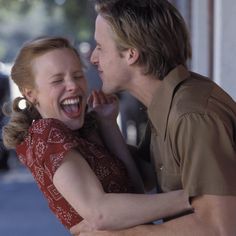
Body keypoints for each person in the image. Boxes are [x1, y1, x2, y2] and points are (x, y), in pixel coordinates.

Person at [70, 0, 236, 235]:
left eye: (100, 47)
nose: (93, 58)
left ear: (130, 53)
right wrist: (105, 127)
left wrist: (120, 234)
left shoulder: (192, 115)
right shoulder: (167, 101)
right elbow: (145, 177)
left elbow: (219, 227)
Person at [2, 36, 192, 232]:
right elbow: (100, 213)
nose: (73, 85)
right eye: (58, 80)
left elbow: (137, 188)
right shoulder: (47, 132)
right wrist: (193, 198)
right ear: (30, 93)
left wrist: (109, 126)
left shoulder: (81, 132)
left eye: (77, 75)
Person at [0, 70, 11, 171]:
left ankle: (4, 162)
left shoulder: (3, 77)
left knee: (3, 136)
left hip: (2, 111)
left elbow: (7, 96)